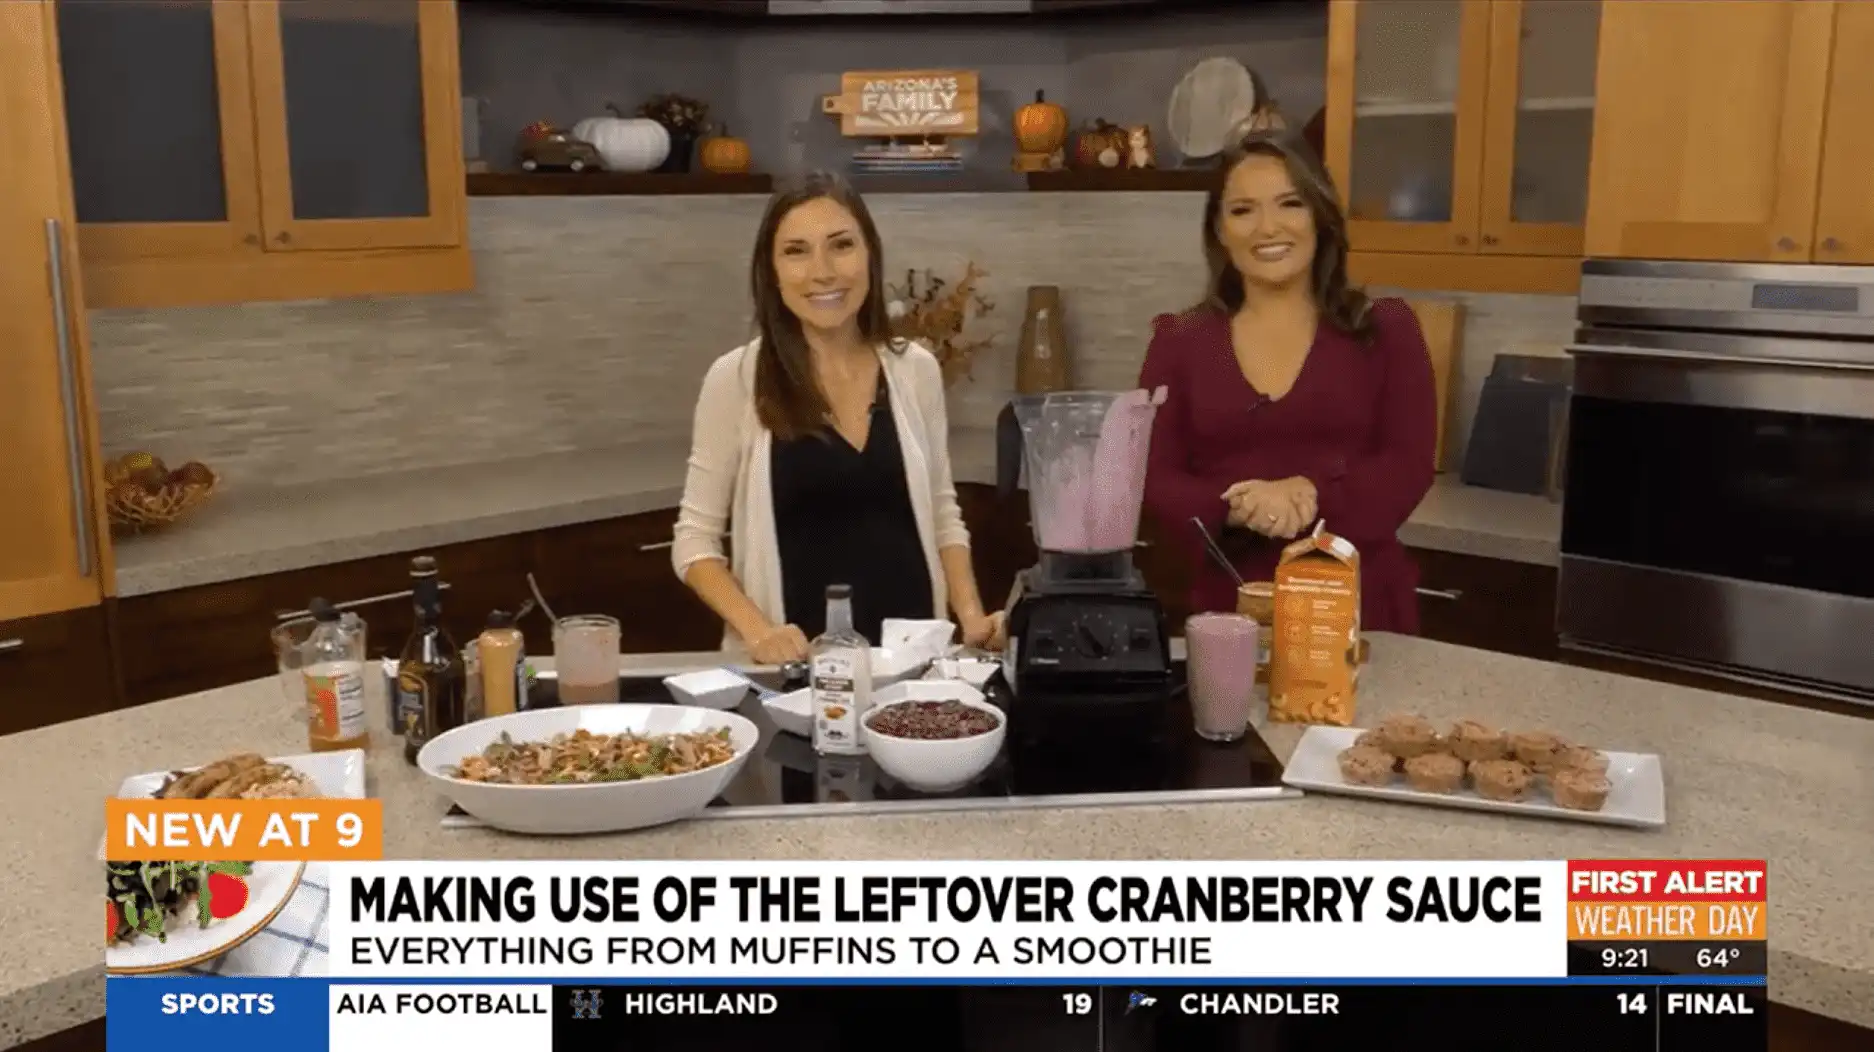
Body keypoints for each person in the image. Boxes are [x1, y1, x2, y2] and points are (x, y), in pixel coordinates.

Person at [671, 171, 1003, 664]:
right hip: (794, 671)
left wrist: (972, 619)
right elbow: (694, 544)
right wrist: (759, 633)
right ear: (772, 271)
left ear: (870, 253)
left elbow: (940, 516)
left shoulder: (916, 370)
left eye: (841, 245)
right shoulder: (737, 379)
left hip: (912, 666)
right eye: (797, 251)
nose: (823, 271)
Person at [1139, 131, 1437, 634]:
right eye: (1242, 210)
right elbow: (1151, 477)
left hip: (1361, 616)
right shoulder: (1180, 340)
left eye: (1290, 203)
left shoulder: (1384, 328)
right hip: (1227, 617)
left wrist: (1312, 493)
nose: (1268, 228)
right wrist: (1237, 506)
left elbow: (1407, 467)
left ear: (1319, 216)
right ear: (1218, 229)